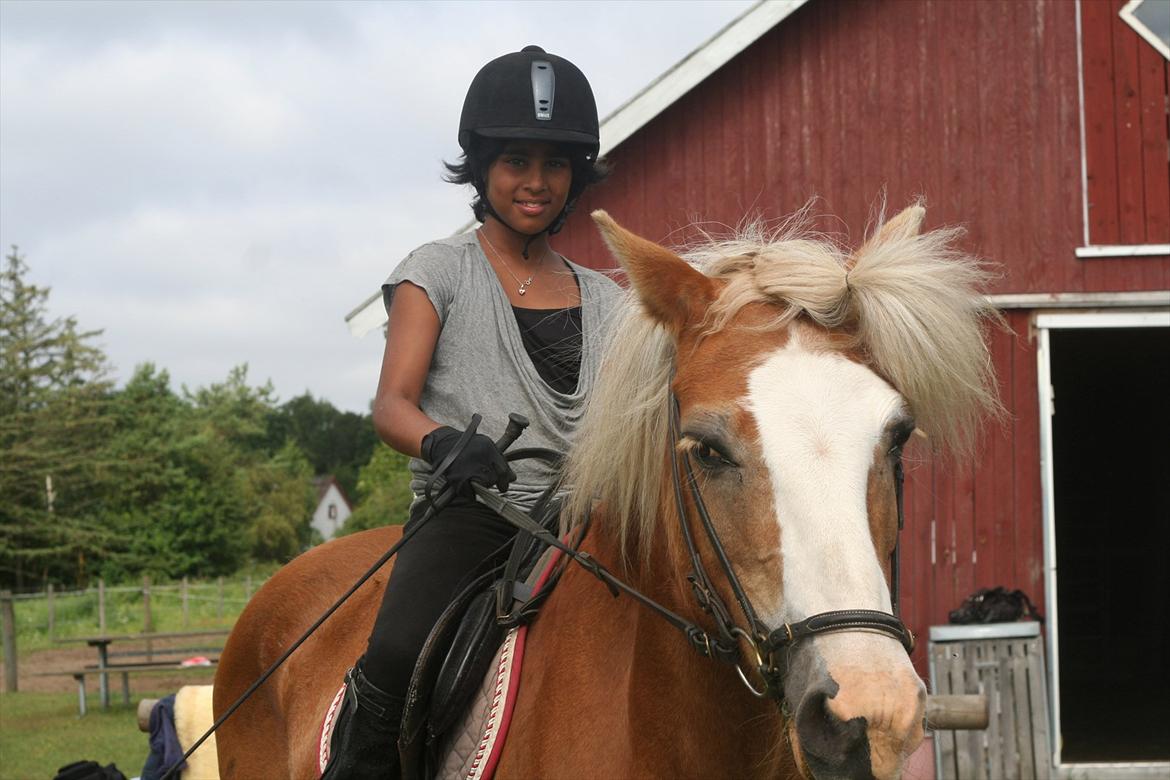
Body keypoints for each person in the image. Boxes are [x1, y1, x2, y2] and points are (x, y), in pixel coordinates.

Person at [321, 46, 620, 779]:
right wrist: (444, 441)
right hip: (473, 512)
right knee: (394, 655)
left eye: (555, 165)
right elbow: (392, 406)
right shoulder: (438, 271)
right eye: (517, 160)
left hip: (586, 521)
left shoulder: (613, 301)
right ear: (482, 166)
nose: (537, 182)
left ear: (575, 177)